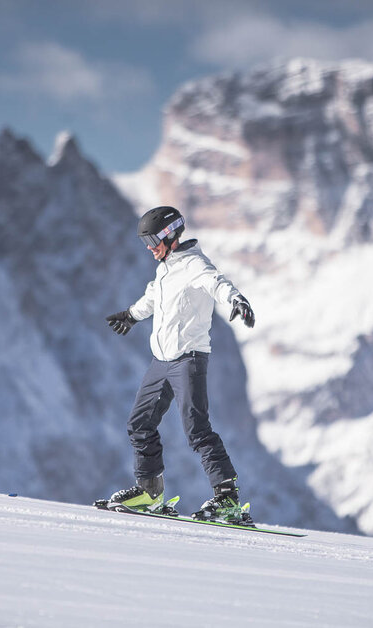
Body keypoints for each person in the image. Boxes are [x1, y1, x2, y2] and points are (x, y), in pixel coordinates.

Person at [104, 206, 255, 523]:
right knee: (139, 424)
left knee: (197, 429)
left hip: (188, 359)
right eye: (145, 241)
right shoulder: (166, 268)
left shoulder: (194, 265)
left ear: (170, 235)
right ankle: (148, 492)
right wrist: (131, 315)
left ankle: (227, 499)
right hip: (161, 361)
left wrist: (237, 300)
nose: (149, 247)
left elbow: (217, 283)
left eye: (152, 239)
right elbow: (152, 298)